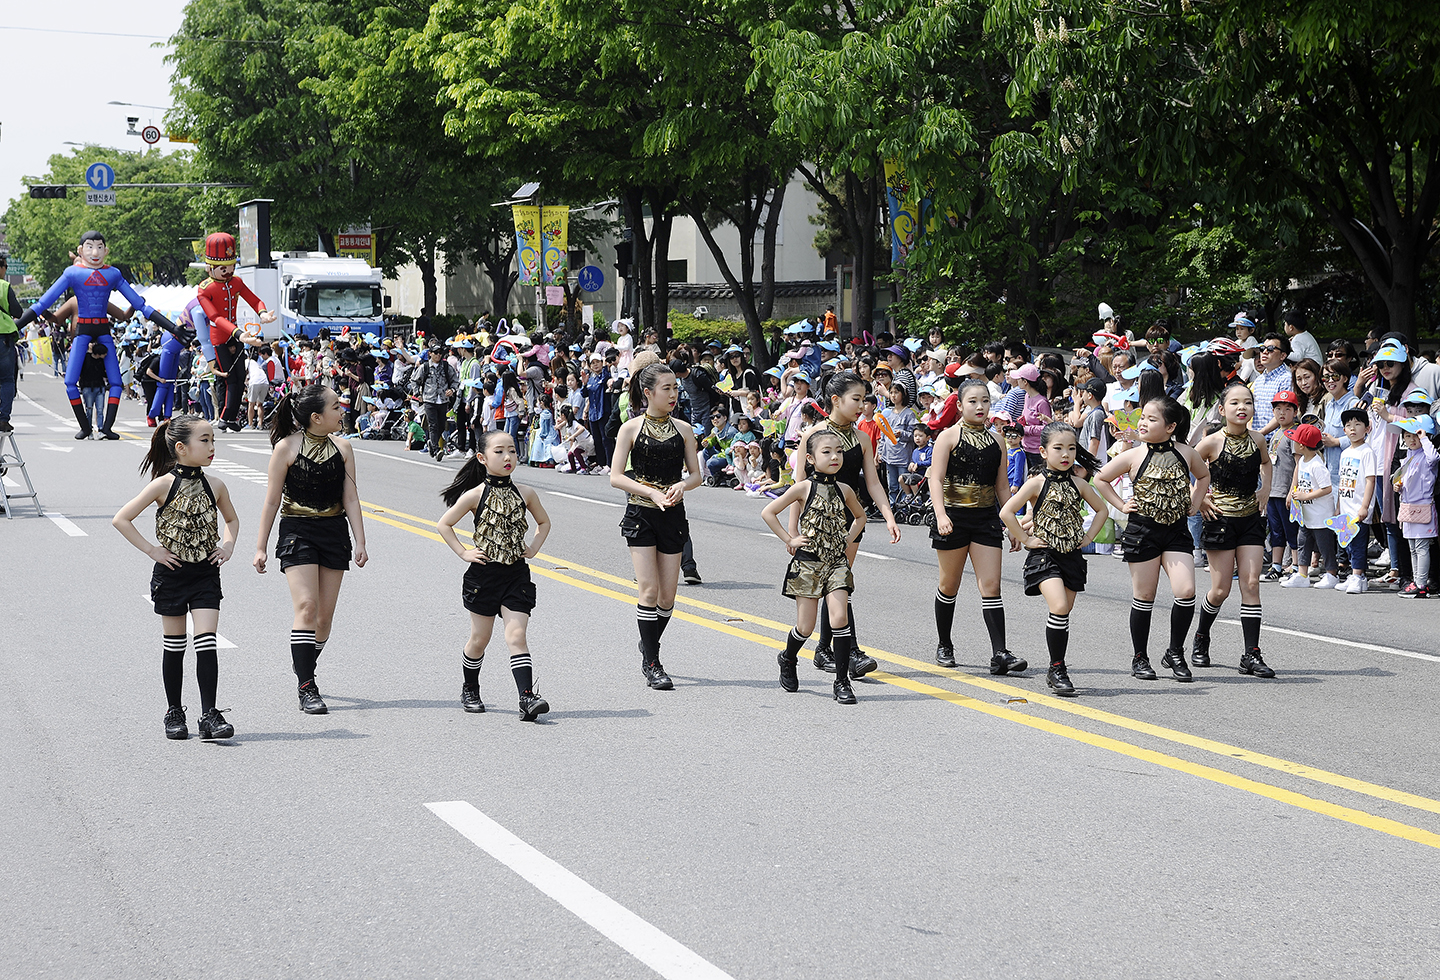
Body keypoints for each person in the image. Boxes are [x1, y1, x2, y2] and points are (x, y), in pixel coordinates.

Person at [112, 416, 239, 741]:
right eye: (205, 441)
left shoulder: (216, 485)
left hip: (206, 573)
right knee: (175, 645)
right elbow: (121, 519)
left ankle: (209, 715)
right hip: (172, 574)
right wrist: (152, 550)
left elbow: (232, 519)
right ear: (181, 448)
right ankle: (174, 711)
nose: (211, 447)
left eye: (213, 440)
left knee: (207, 641)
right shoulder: (162, 485)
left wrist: (227, 546)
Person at [253, 385, 369, 714]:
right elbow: (272, 500)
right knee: (306, 606)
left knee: (323, 620)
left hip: (333, 532)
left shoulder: (344, 448)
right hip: (297, 530)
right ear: (317, 417)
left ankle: (303, 662)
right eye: (336, 406)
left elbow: (350, 497)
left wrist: (360, 540)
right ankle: (307, 685)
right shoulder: (285, 448)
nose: (342, 409)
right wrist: (260, 547)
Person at [16, 230, 184, 439]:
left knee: (116, 383)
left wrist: (172, 327)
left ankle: (106, 427)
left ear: (106, 250)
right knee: (70, 382)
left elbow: (140, 305)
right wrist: (18, 325)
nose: (95, 252)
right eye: (89, 247)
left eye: (99, 247)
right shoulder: (72, 273)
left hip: (100, 328)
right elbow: (43, 304)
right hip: (84, 330)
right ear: (81, 250)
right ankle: (86, 427)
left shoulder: (112, 274)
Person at [436, 430, 553, 719]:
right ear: (482, 458)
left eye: (512, 450)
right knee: (480, 639)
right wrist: (464, 553)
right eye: (499, 452)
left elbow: (543, 522)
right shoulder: (475, 494)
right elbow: (444, 525)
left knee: (517, 636)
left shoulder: (525, 492)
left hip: (516, 575)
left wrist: (534, 547)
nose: (508, 457)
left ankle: (526, 698)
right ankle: (470, 688)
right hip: (483, 577)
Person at [791, 371, 901, 676]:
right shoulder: (812, 436)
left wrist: (889, 517)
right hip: (816, 526)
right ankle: (847, 651)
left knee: (838, 584)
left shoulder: (862, 437)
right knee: (834, 584)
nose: (862, 405)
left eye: (865, 399)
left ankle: (828, 650)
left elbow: (874, 483)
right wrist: (792, 533)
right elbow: (797, 489)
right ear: (836, 400)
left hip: (851, 523)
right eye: (856, 399)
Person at [1096, 396, 1210, 683]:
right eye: (1143, 418)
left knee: (1185, 592)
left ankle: (1174, 652)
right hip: (1142, 532)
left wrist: (1195, 502)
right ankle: (1140, 658)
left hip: (1176, 532)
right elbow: (1101, 479)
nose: (1143, 423)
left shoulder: (1187, 452)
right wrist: (1121, 506)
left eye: (1151, 419)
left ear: (1171, 427)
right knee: (1144, 597)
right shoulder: (1134, 454)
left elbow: (1204, 476)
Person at [610, 362, 703, 690]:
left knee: (668, 597)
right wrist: (649, 490)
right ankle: (653, 662)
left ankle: (648, 643)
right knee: (648, 590)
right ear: (648, 393)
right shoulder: (630, 428)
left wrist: (682, 486)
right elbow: (615, 476)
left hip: (673, 515)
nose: (674, 394)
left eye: (676, 388)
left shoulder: (684, 429)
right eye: (667, 389)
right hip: (641, 514)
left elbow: (696, 475)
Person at [999, 422, 1109, 696]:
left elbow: (1102, 511)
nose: (1065, 454)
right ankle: (1058, 668)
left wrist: (1088, 538)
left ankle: (1054, 668)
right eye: (1058, 448)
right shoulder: (1036, 482)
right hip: (1044, 555)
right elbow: (1006, 513)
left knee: (1063, 612)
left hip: (1072, 556)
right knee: (1059, 606)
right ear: (1044, 452)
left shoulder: (1080, 483)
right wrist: (1026, 540)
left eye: (1071, 448)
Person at [762, 430, 869, 703]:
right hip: (808, 564)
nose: (834, 456)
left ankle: (842, 682)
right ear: (810, 458)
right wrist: (790, 538)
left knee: (839, 619)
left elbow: (860, 517)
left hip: (836, 564)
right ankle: (788, 657)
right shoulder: (803, 488)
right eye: (826, 452)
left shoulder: (845, 489)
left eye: (839, 451)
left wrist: (847, 538)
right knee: (805, 628)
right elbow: (768, 512)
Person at [926, 379, 1022, 672]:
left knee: (991, 585)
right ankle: (945, 643)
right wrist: (941, 515)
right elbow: (935, 479)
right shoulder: (948, 437)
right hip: (953, 517)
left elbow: (1003, 486)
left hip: (986, 519)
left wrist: (1013, 525)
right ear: (959, 405)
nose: (980, 407)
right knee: (949, 585)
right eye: (973, 401)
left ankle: (1000, 653)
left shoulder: (998, 439)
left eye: (985, 401)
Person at [1192, 384, 1275, 677]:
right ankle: (1201, 638)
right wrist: (1200, 497)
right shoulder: (1211, 443)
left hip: (1250, 518)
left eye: (1248, 402)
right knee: (1220, 590)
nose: (1242, 408)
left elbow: (1266, 464)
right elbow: (1188, 465)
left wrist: (1265, 488)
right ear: (1222, 409)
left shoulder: (1258, 439)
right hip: (1220, 520)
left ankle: (1251, 654)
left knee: (1251, 584)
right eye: (1235, 403)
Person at [195, 234, 274, 432]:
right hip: (221, 337)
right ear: (210, 267)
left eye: (231, 267)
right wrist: (238, 334)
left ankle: (230, 418)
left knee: (241, 378)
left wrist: (262, 313)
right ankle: (224, 417)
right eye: (224, 268)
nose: (228, 271)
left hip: (237, 334)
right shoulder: (204, 289)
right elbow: (214, 318)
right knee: (230, 378)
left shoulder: (236, 282)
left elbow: (254, 299)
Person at [1282, 424, 1339, 589]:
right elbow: (1299, 481)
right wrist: (1294, 494)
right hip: (1306, 514)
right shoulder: (1303, 461)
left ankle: (1331, 574)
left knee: (1325, 545)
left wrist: (1305, 496)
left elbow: (1327, 488)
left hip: (1321, 515)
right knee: (1303, 542)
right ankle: (1302, 574)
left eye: (1294, 440)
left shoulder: (1316, 464)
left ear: (1301, 445)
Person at [1335, 408, 1378, 594]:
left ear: (1367, 428)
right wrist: (1338, 506)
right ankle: (1357, 576)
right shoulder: (1345, 453)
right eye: (1348, 425)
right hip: (1345, 507)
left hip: (1359, 507)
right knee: (1349, 544)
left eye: (1357, 424)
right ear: (1344, 430)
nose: (1352, 429)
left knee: (1359, 544)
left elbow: (1370, 480)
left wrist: (1365, 507)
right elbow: (1341, 481)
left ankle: (1358, 575)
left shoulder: (1367, 452)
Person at [1395, 419, 1439, 598]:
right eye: (1407, 436)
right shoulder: (1408, 458)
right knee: (1413, 547)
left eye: (1415, 435)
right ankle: (1417, 581)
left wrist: (1425, 438)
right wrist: (1398, 486)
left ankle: (1421, 584)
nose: (1411, 439)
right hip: (1408, 508)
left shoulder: (1426, 455)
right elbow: (1403, 482)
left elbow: (1435, 458)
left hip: (1422, 507)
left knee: (1421, 547)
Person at [1264, 392, 1301, 581]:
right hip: (1273, 491)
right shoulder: (1277, 432)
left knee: (1291, 531)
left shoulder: (1295, 433)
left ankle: (1296, 567)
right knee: (1276, 531)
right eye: (1278, 409)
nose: (1282, 413)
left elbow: (1299, 464)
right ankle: (1276, 566)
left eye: (1287, 409)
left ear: (1295, 412)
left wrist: (1292, 491)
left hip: (1287, 491)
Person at [412, 344, 459, 459]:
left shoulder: (447, 367)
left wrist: (452, 390)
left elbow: (455, 380)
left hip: (443, 400)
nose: (438, 355)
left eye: (440, 353)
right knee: (433, 425)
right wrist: (418, 394)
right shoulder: (425, 367)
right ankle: (437, 448)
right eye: (435, 352)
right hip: (429, 399)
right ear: (430, 353)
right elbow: (414, 381)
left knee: (442, 425)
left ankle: (432, 445)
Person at [0, 254, 22, 432]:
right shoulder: (4, 286)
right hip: (4, 338)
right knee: (7, 380)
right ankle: (3, 418)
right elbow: (18, 312)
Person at [78, 342, 109, 434]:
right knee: (89, 409)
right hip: (87, 387)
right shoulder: (86, 359)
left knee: (100, 409)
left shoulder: (102, 361)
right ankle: (89, 429)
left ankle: (100, 429)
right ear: (99, 354)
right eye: (104, 353)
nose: (105, 355)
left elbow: (103, 373)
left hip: (100, 387)